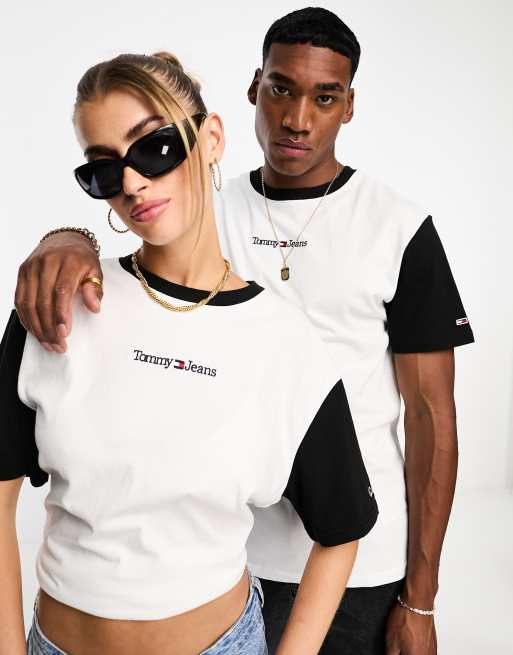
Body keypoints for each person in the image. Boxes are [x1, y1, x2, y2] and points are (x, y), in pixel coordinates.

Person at [10, 7, 475, 655]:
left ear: (349, 105)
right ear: (255, 87)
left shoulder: (395, 229)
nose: (297, 118)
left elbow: (430, 416)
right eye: (281, 88)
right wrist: (67, 237)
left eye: (324, 97)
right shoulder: (193, 207)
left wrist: (420, 595)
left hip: (347, 567)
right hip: (225, 556)